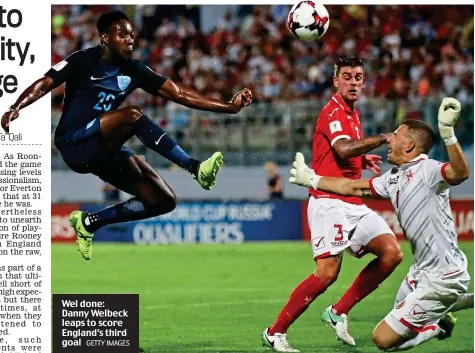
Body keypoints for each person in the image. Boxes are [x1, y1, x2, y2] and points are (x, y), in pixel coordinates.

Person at [1, 11, 252, 261]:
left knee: (163, 200)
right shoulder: (83, 60)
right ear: (105, 38)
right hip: (73, 143)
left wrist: (229, 107)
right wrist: (16, 106)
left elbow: (181, 95)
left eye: (131, 35)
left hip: (102, 150)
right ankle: (194, 167)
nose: (130, 39)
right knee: (132, 115)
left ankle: (89, 222)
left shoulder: (135, 70)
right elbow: (46, 82)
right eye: (122, 34)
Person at [289, 97, 473, 351]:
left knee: (384, 340)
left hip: (443, 276)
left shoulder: (428, 170)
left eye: (396, 134)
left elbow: (461, 173)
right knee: (402, 321)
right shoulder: (394, 177)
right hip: (420, 272)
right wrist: (312, 179)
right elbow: (351, 186)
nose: (390, 138)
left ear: (409, 145)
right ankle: (454, 304)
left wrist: (448, 134)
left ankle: (436, 326)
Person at [263, 56, 402, 352]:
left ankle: (338, 311)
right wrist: (380, 139)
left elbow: (342, 152)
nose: (354, 82)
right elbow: (342, 147)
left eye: (359, 77)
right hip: (329, 201)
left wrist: (360, 158)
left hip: (352, 199)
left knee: (391, 253)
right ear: (336, 81)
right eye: (348, 76)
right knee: (327, 273)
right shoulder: (334, 112)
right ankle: (275, 332)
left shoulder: (353, 113)